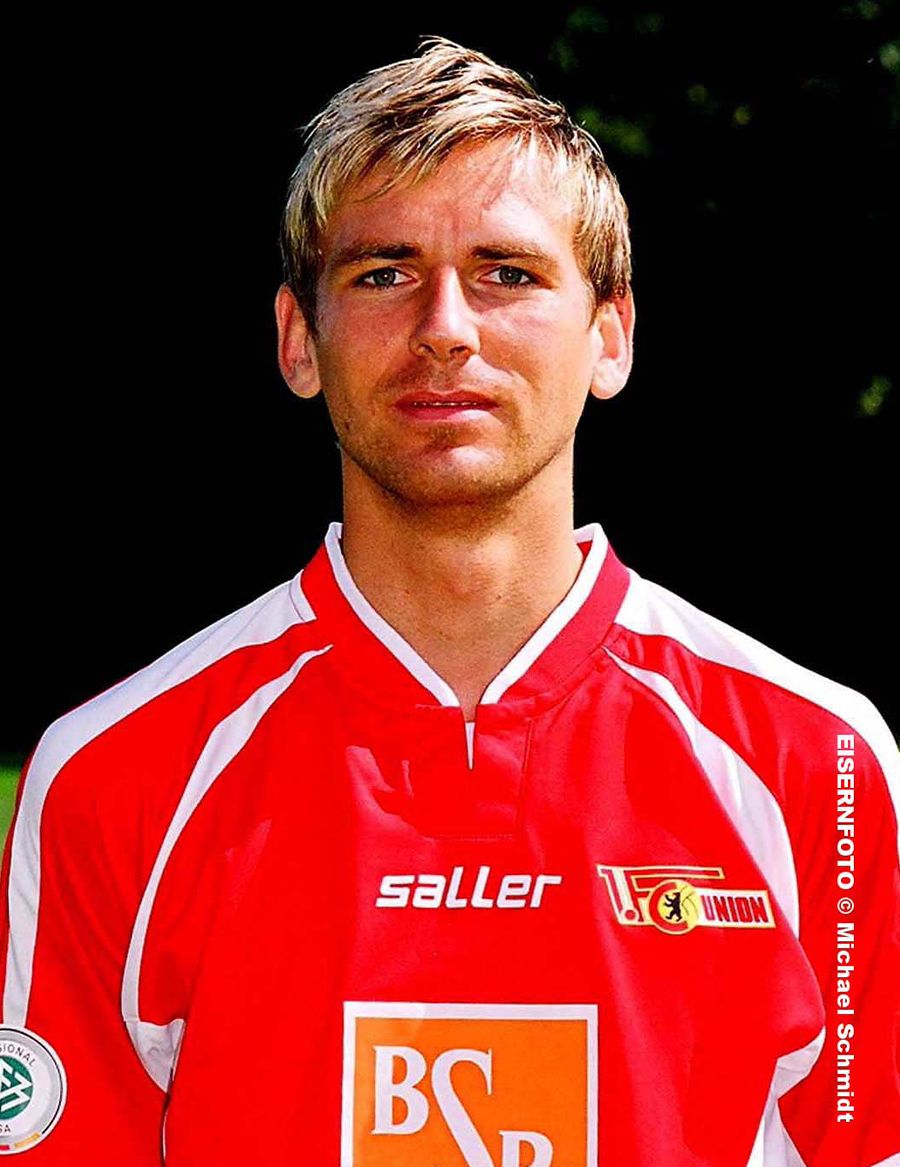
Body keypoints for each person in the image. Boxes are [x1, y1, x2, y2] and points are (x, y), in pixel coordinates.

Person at [0, 35, 897, 1167]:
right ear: (298, 341)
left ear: (610, 336)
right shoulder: (117, 774)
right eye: (383, 273)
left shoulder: (820, 763)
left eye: (506, 273)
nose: (446, 329)